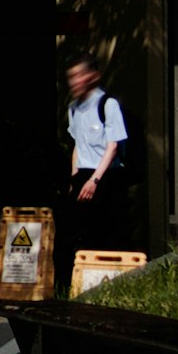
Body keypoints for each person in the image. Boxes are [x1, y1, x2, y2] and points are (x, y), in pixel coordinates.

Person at [60, 54, 133, 277]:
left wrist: (94, 180)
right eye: (71, 77)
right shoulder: (74, 108)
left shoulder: (107, 104)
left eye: (80, 75)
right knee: (73, 233)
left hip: (105, 176)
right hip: (84, 175)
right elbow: (77, 145)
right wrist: (75, 179)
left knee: (105, 233)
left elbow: (112, 147)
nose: (75, 81)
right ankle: (72, 283)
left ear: (93, 77)